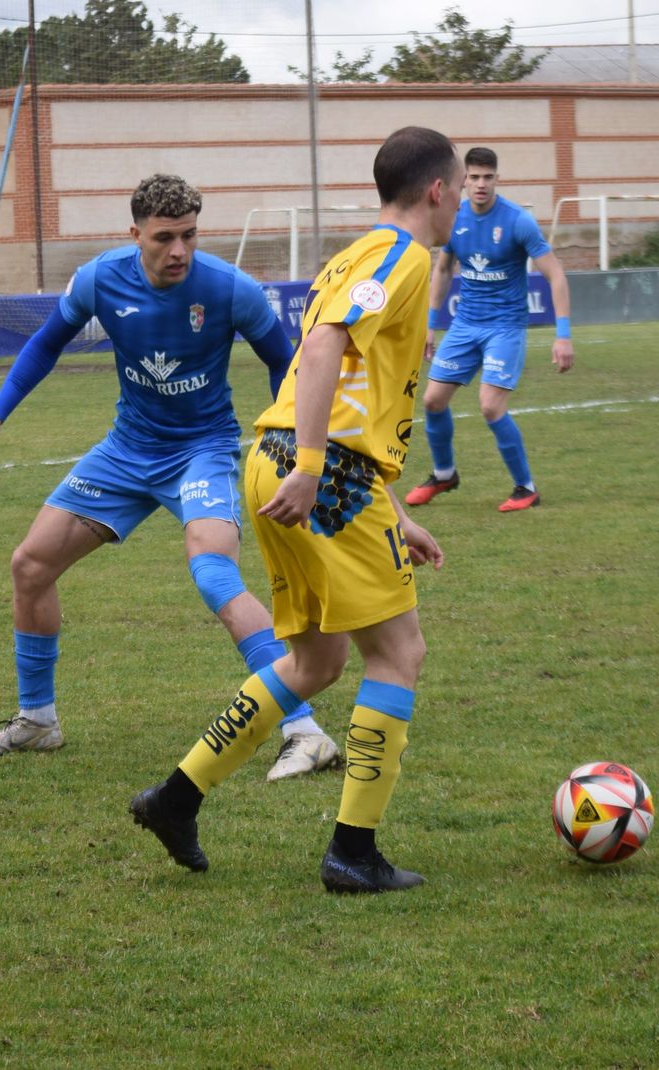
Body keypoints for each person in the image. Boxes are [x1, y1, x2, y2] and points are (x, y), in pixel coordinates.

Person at [129, 127, 462, 894]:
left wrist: (388, 509)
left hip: (284, 463)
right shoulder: (401, 258)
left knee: (317, 661)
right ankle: (353, 851)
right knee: (398, 654)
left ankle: (177, 799)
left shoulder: (353, 254)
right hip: (318, 471)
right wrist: (316, 468)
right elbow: (320, 354)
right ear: (438, 190)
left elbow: (343, 382)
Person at [0, 174, 341, 781]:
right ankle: (38, 720)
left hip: (202, 451)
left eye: (188, 235)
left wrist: (292, 454)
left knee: (213, 574)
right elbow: (46, 343)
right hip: (127, 451)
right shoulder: (100, 279)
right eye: (164, 238)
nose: (179, 250)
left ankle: (304, 729)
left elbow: (285, 367)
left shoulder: (231, 289)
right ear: (135, 235)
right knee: (29, 566)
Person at [405, 147, 575, 513]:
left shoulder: (517, 221)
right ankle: (444, 473)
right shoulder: (455, 218)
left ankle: (525, 488)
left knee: (490, 407)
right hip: (465, 325)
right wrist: (430, 326)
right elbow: (443, 270)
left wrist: (562, 334)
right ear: (463, 181)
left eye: (488, 177)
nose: (481, 184)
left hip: (505, 328)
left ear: (498, 179)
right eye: (474, 177)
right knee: (433, 401)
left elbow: (556, 275)